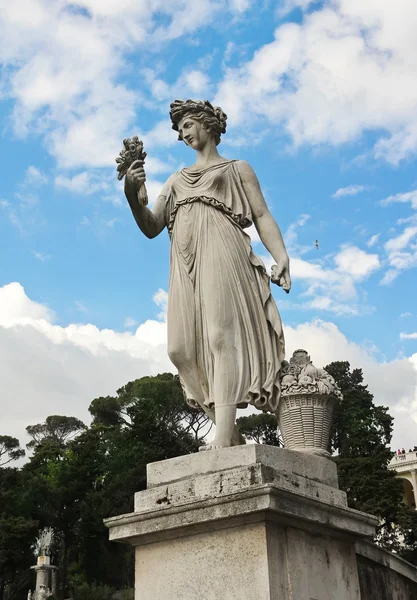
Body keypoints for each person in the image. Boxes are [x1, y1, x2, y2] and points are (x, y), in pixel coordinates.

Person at [124, 99, 291, 449]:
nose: (183, 134)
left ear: (207, 125)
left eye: (187, 125)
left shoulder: (236, 169)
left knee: (219, 337)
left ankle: (222, 436)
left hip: (223, 250)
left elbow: (261, 214)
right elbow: (151, 226)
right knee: (180, 349)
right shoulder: (175, 180)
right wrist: (131, 193)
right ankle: (229, 433)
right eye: (180, 129)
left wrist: (281, 257)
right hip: (184, 261)